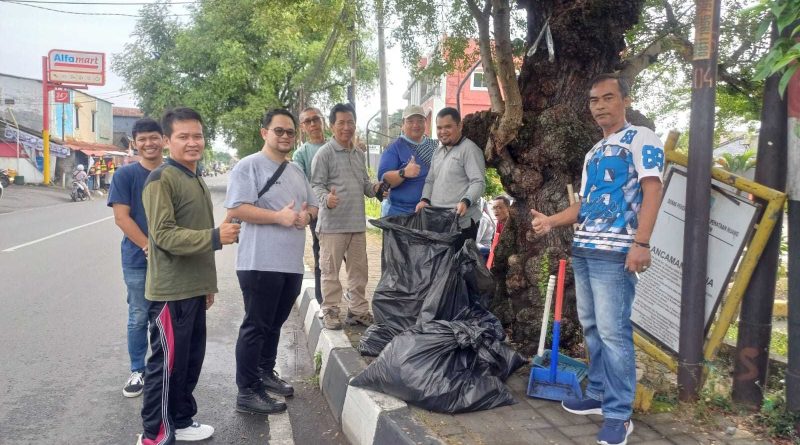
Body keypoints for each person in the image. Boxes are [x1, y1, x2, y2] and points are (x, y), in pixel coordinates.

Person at [530, 73, 664, 445]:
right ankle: (599, 392)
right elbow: (586, 205)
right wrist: (550, 221)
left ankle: (619, 414)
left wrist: (642, 242)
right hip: (585, 249)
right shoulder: (594, 152)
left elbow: (653, 190)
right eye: (594, 100)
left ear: (625, 100)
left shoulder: (642, 139)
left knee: (613, 332)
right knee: (591, 326)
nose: (600, 106)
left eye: (608, 97)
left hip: (616, 252)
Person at [137, 107, 240, 445]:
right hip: (171, 292)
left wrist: (206, 286)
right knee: (166, 367)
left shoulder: (194, 177)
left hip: (193, 288)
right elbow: (164, 235)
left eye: (198, 136)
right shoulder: (161, 179)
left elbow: (194, 233)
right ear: (168, 141)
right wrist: (216, 236)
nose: (193, 142)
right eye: (183, 136)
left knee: (188, 363)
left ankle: (180, 420)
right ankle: (154, 434)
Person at [225, 109, 319, 415]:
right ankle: (247, 390)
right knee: (256, 326)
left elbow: (313, 206)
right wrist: (278, 217)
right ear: (264, 132)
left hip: (290, 263)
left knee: (275, 324)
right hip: (259, 261)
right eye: (279, 130)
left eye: (290, 132)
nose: (285, 136)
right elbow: (237, 208)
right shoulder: (249, 166)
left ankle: (265, 372)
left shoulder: (296, 171)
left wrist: (306, 216)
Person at [311, 103, 383, 330]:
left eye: (350, 122)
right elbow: (316, 185)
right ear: (332, 126)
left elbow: (365, 185)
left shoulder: (359, 154)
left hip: (357, 225)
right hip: (332, 226)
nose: (346, 127)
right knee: (330, 272)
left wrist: (377, 188)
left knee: (359, 272)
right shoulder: (324, 153)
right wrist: (326, 199)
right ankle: (330, 311)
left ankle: (358, 312)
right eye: (341, 123)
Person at [107, 118, 164, 399]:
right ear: (134, 143)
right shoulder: (125, 175)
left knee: (166, 317)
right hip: (137, 259)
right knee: (139, 315)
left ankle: (164, 368)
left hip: (173, 260)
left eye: (154, 137)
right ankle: (137, 370)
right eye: (142, 139)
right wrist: (148, 247)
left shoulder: (175, 172)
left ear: (164, 139)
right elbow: (121, 217)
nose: (148, 143)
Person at [415, 107, 486, 240]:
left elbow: (478, 182)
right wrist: (424, 200)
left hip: (462, 224)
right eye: (439, 128)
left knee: (460, 254)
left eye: (448, 127)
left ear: (460, 126)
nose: (443, 132)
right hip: (437, 221)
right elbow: (430, 180)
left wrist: (465, 201)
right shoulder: (437, 151)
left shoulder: (470, 150)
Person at [292, 106, 327, 304]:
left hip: (345, 212)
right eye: (308, 121)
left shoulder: (337, 145)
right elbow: (301, 184)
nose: (313, 124)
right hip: (319, 214)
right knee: (321, 256)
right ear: (302, 127)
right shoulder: (301, 154)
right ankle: (323, 301)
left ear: (323, 121)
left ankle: (354, 300)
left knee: (352, 260)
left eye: (316, 119)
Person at [377, 104, 436, 216]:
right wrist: (403, 173)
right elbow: (384, 181)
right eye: (410, 121)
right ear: (402, 125)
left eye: (420, 120)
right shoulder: (394, 147)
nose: (416, 125)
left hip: (427, 212)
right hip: (398, 215)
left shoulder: (434, 145)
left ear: (425, 123)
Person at [486, 195, 511, 269]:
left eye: (499, 207)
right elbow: (495, 242)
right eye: (494, 208)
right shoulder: (499, 223)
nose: (496, 210)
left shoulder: (514, 223)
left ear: (508, 208)